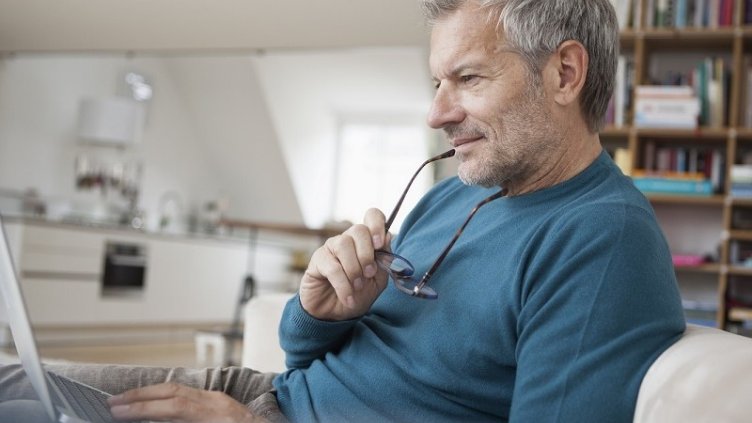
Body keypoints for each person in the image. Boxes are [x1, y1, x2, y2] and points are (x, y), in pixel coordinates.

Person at [0, 0, 686, 421]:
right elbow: (308, 357)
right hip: (260, 393)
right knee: (15, 387)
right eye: (436, 82)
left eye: (468, 78)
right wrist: (322, 311)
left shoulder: (603, 241)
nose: (436, 112)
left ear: (564, 74)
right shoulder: (458, 190)